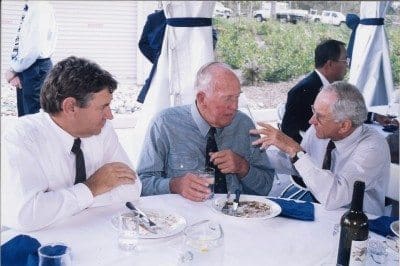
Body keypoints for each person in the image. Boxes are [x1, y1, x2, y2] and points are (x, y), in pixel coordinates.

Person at [1, 56, 142, 231]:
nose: (110, 115)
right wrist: (92, 188)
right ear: (70, 107)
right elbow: (26, 215)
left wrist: (58, 204)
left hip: (90, 233)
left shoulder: (102, 130)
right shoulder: (20, 138)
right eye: (102, 107)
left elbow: (132, 188)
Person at [137, 62, 274, 201]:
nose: (234, 106)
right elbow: (141, 185)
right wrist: (174, 185)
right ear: (202, 99)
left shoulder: (244, 124)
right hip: (185, 218)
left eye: (237, 97)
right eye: (227, 98)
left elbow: (266, 187)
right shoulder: (165, 124)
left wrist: (242, 167)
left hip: (234, 216)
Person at [250, 81, 390, 216]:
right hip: (320, 211)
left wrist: (295, 150)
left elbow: (334, 197)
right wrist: (251, 154)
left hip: (361, 224)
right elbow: (299, 166)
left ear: (344, 126)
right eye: (313, 111)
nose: (311, 120)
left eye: (320, 116)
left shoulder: (372, 148)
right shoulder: (320, 130)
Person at [280, 39, 394, 143]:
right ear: (330, 64)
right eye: (345, 60)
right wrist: (308, 152)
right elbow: (288, 131)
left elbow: (345, 111)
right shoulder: (302, 91)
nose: (347, 66)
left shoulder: (334, 87)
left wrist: (373, 116)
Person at [5, 1, 57, 117]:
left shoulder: (39, 8)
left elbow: (35, 48)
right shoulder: (33, 7)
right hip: (30, 66)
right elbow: (24, 44)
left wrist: (14, 69)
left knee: (32, 118)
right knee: (26, 117)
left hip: (34, 67)